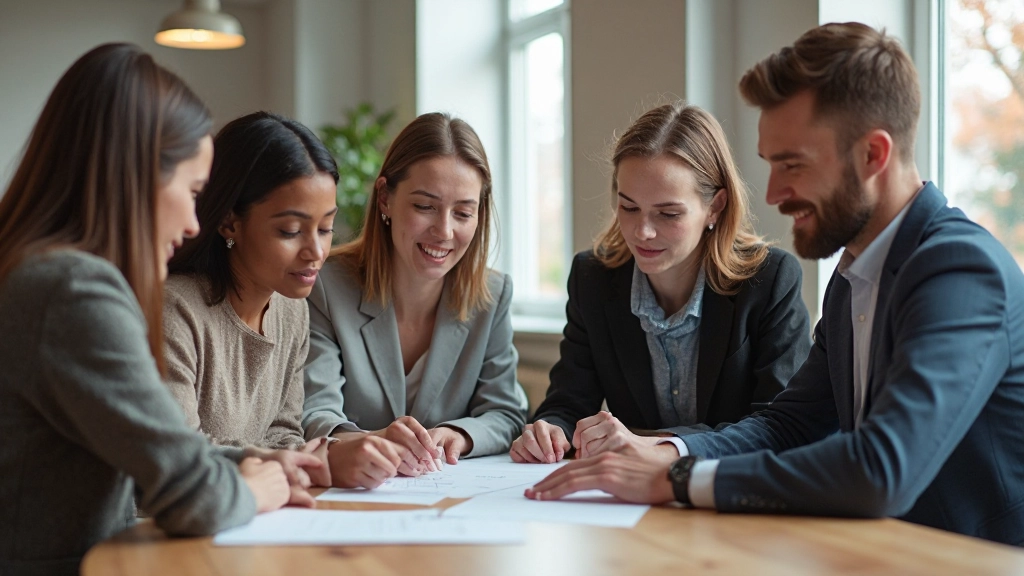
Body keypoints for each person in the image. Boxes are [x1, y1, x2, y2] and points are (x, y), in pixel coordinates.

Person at [525, 22, 1024, 546]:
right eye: (769, 163)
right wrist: (670, 454)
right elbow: (786, 425)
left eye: (792, 164)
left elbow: (881, 469)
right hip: (883, 553)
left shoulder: (959, 268)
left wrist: (678, 479)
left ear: (873, 155)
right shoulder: (855, 275)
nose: (773, 192)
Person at [0, 44, 318, 575]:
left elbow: (151, 449)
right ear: (136, 175)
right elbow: (190, 494)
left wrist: (258, 462)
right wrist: (255, 489)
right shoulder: (74, 291)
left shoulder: (40, 272)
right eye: (192, 191)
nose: (195, 223)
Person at [510, 103, 811, 464]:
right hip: (628, 500)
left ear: (714, 207)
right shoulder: (593, 279)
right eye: (629, 207)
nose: (643, 232)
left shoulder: (770, 280)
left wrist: (666, 446)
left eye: (668, 214)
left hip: (730, 492)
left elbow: (779, 426)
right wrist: (549, 430)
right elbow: (568, 401)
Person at [302, 112, 527, 480]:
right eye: (425, 207)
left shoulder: (493, 296)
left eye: (463, 213)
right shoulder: (325, 287)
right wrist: (374, 441)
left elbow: (506, 413)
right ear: (386, 199)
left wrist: (460, 435)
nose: (444, 231)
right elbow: (314, 413)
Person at [164, 111, 342, 488]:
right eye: (291, 230)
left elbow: (283, 433)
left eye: (325, 228)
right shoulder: (174, 310)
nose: (316, 251)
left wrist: (330, 457)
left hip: (254, 517)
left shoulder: (292, 311)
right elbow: (177, 459)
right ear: (230, 221)